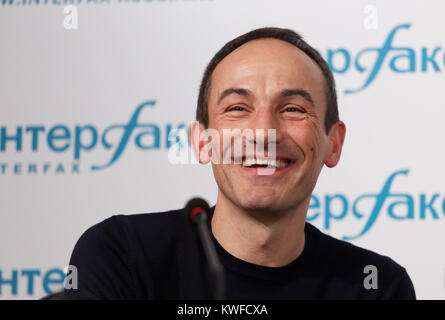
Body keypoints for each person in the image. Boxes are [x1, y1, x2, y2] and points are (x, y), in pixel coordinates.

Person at [64, 27, 416, 300]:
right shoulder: (122, 253)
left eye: (292, 109)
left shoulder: (375, 285)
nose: (263, 132)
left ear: (333, 144)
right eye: (237, 109)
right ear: (202, 142)